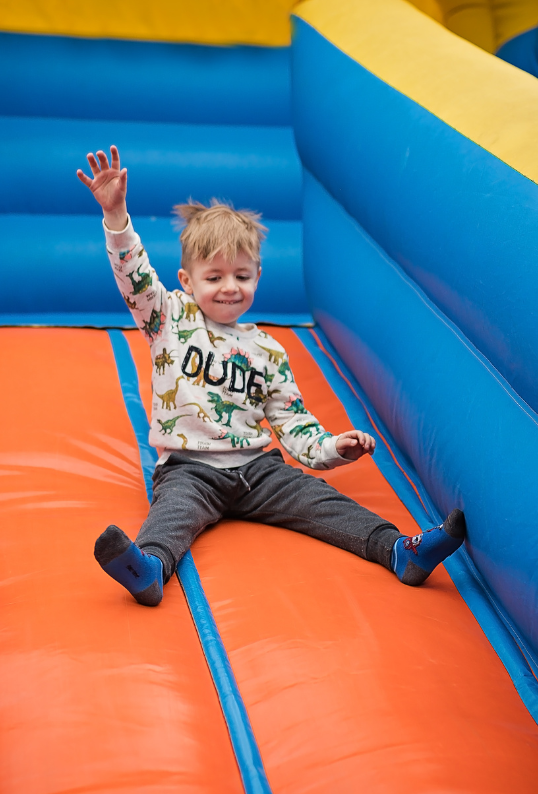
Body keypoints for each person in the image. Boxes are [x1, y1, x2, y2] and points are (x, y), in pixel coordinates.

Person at [77, 146, 465, 606]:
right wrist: (117, 215)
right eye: (214, 276)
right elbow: (134, 276)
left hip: (258, 470)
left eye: (241, 275)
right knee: (172, 516)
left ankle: (400, 552)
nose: (229, 287)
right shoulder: (167, 317)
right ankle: (149, 569)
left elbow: (290, 420)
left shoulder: (268, 349)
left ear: (258, 275)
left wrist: (331, 448)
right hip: (190, 469)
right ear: (186, 279)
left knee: (322, 502)